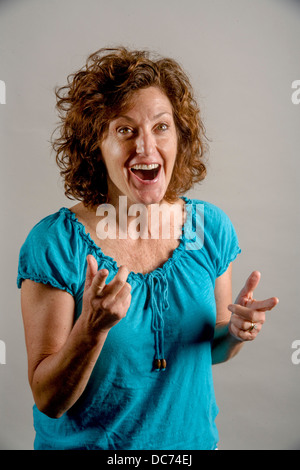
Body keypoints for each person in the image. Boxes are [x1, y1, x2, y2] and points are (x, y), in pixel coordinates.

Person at [17, 47, 279, 450]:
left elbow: (209, 351)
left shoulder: (207, 228)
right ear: (95, 146)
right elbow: (49, 400)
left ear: (179, 136)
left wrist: (237, 334)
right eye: (125, 130)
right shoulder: (55, 243)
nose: (146, 147)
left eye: (161, 127)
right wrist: (91, 329)